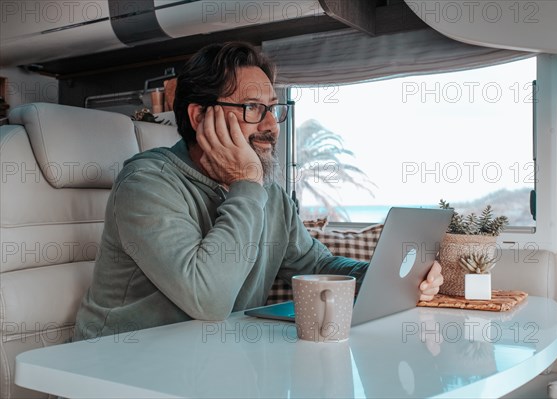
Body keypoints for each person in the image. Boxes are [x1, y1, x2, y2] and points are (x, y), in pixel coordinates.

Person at [74, 42, 443, 340]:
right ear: (200, 117)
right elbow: (209, 299)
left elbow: (317, 265)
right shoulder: (146, 185)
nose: (272, 126)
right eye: (253, 108)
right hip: (119, 369)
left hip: (211, 364)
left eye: (272, 109)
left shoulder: (267, 195)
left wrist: (388, 275)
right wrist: (246, 183)